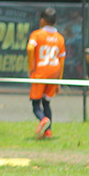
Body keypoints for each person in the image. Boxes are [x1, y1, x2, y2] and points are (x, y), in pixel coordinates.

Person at [27, 7, 66, 140]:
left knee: (36, 104)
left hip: (41, 73)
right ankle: (48, 132)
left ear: (43, 20)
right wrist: (59, 81)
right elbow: (62, 59)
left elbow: (30, 47)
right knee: (47, 103)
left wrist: (31, 66)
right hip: (54, 73)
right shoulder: (60, 38)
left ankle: (43, 119)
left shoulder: (37, 35)